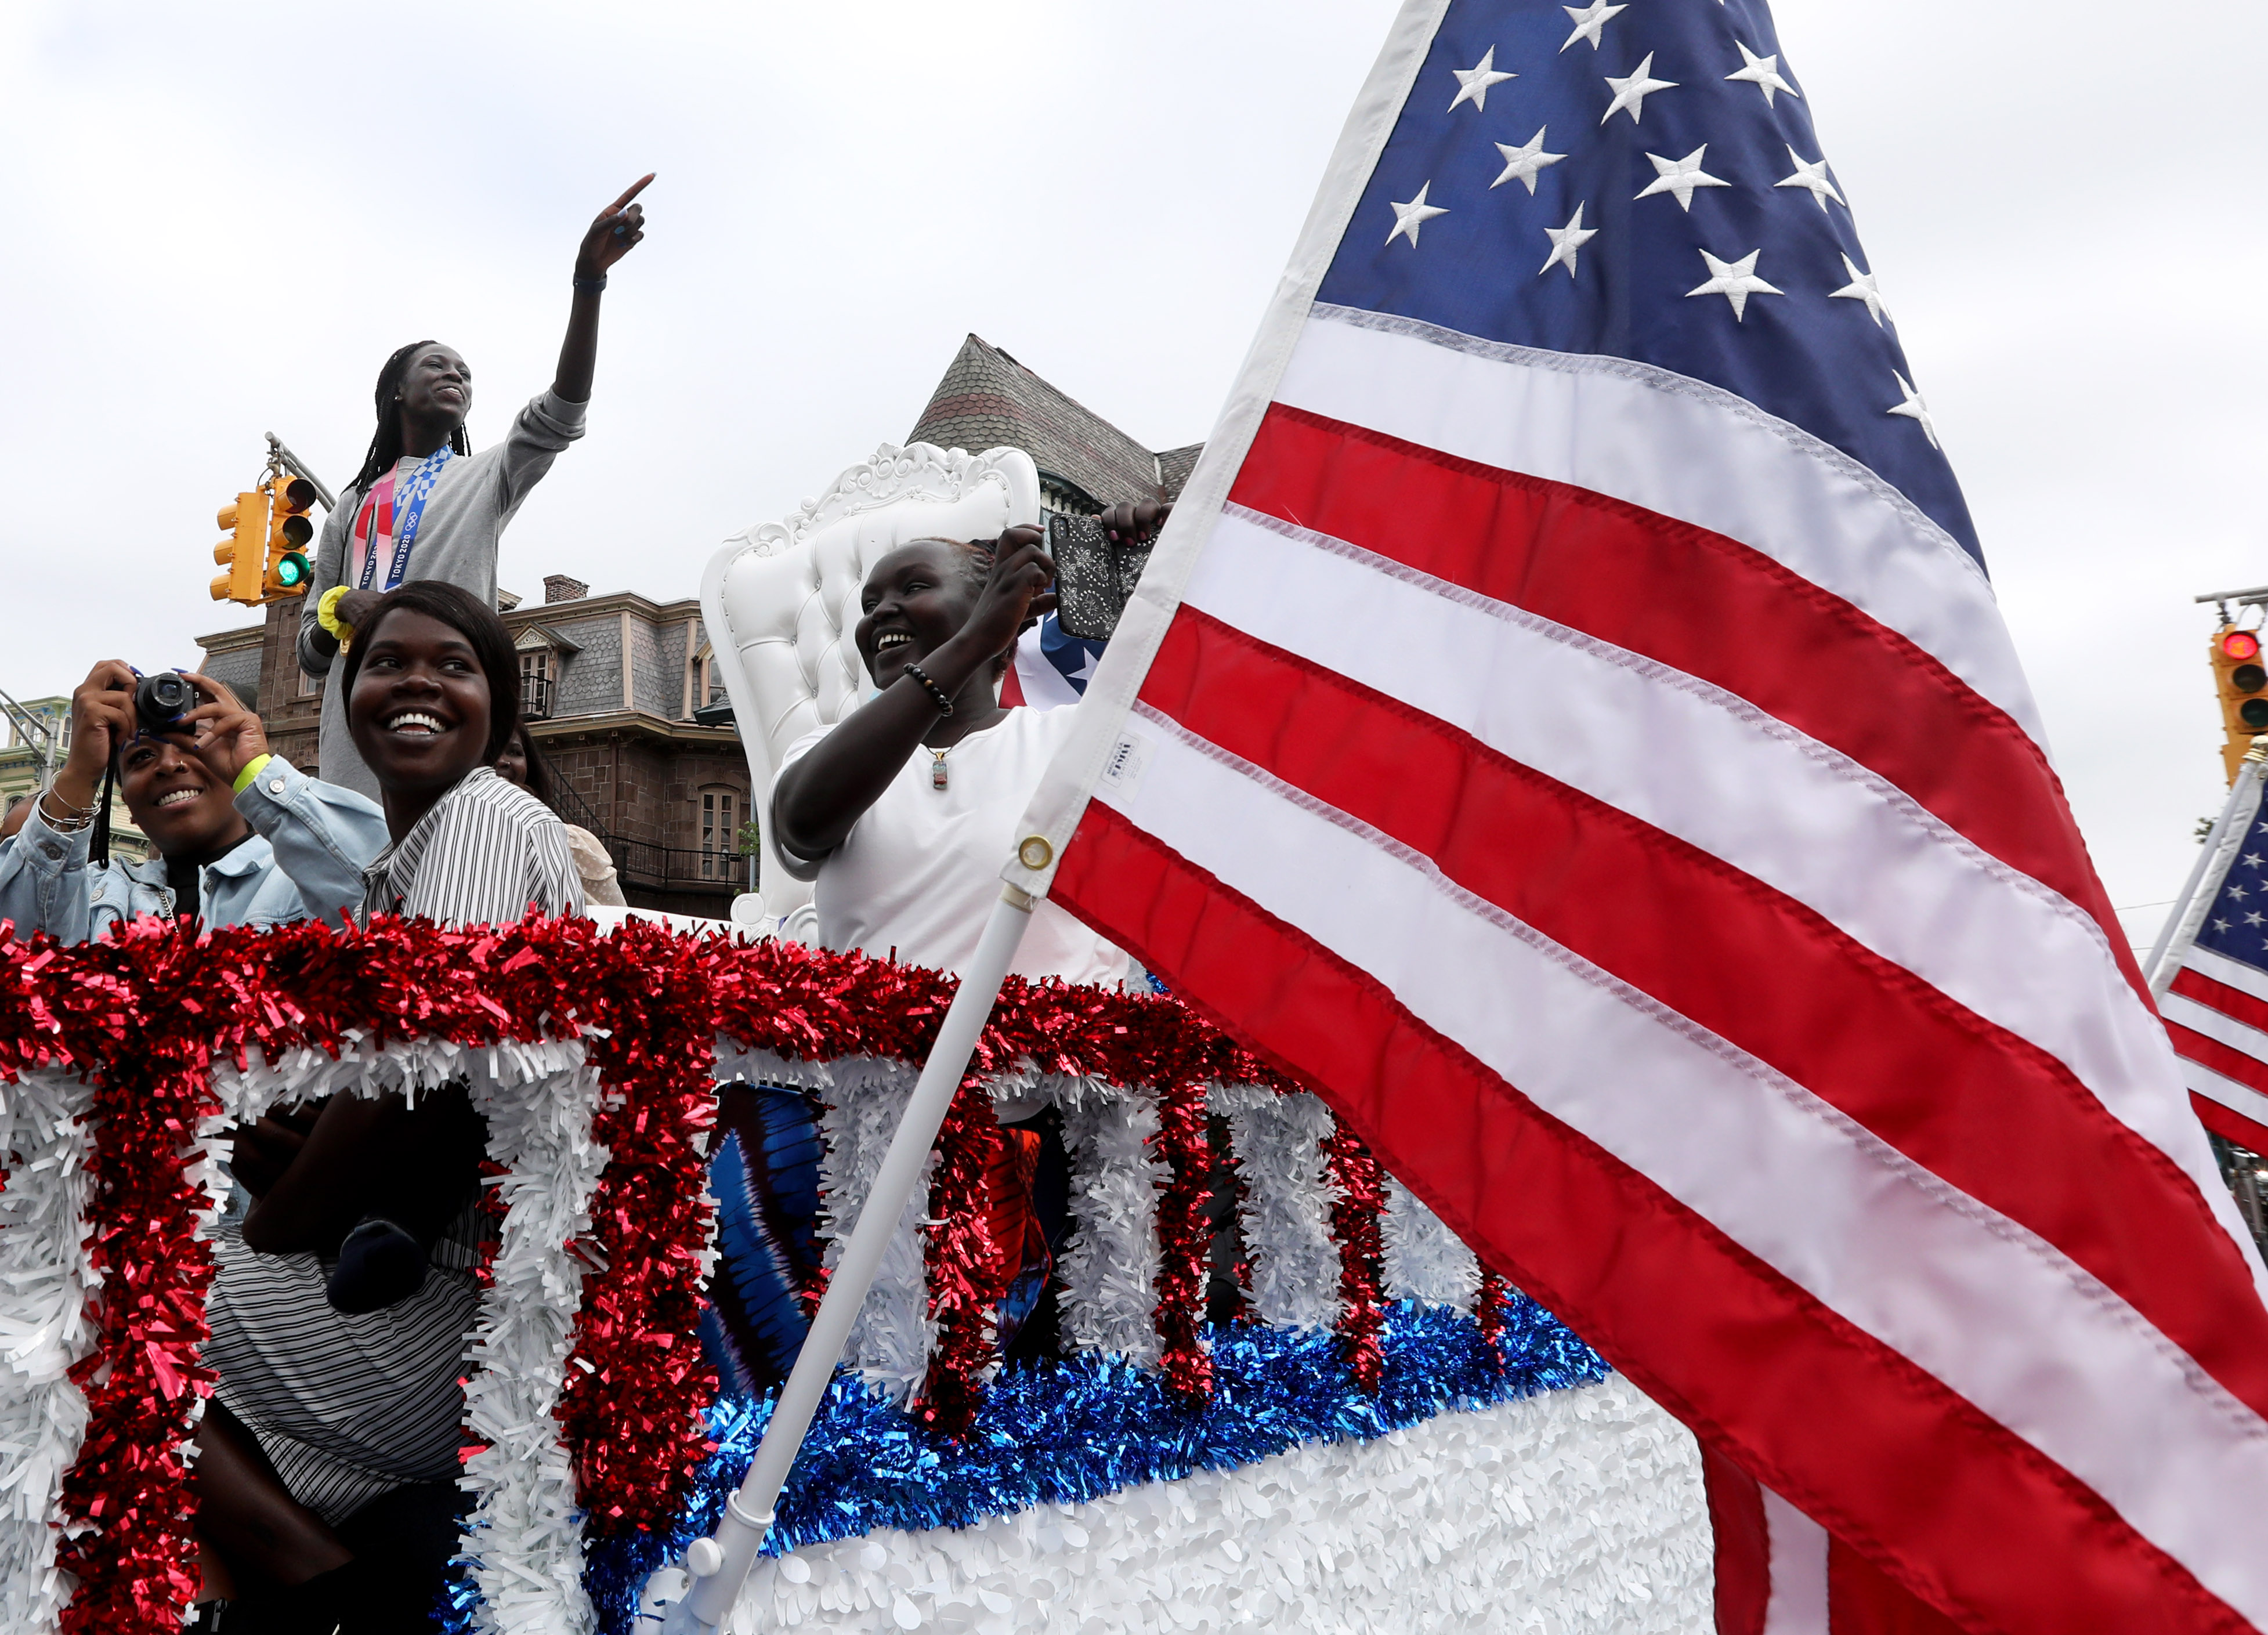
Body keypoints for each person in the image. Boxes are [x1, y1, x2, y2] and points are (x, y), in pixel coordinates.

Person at [203, 583, 582, 1629]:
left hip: (467, 1322)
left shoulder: (485, 813)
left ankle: (328, 1590)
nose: (415, 680)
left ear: (500, 714)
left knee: (68, 1303)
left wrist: (281, 1219)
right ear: (350, 699)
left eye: (452, 664)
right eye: (386, 662)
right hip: (395, 1300)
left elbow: (411, 1078)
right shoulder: (391, 874)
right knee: (143, 1443)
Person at [298, 175, 653, 800]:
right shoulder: (351, 506)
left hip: (447, 723)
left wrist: (587, 283)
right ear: (397, 392)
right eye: (437, 365)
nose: (456, 375)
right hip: (354, 741)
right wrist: (342, 608)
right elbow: (310, 651)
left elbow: (564, 409)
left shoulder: (486, 477)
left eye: (465, 372)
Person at [768, 523, 1128, 986]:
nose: (880, 614)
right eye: (869, 605)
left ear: (999, 607)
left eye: (914, 587)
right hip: (870, 1053)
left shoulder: (1075, 736)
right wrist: (976, 640)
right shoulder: (819, 748)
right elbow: (802, 827)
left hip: (1041, 1055)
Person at [0, 662, 384, 939]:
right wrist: (80, 774)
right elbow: (19, 951)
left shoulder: (301, 880)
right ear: (129, 809)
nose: (169, 765)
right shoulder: (97, 896)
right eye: (141, 758)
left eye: (196, 746)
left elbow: (385, 900)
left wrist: (258, 773)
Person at [494, 718, 625, 905]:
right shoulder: (444, 835)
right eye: (489, 752)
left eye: (514, 752)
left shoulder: (570, 844)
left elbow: (616, 922)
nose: (502, 762)